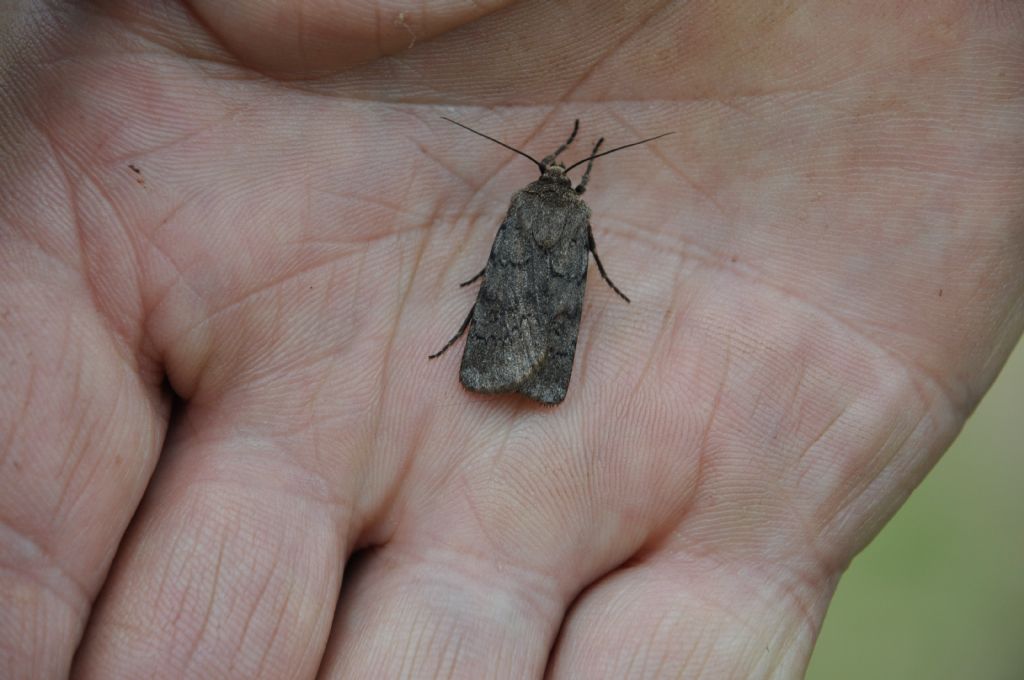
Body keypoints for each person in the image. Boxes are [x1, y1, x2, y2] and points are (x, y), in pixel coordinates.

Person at [1, 1, 1021, 677]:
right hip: (542, 328)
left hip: (504, 319)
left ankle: (496, 361)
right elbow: (578, 279)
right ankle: (519, 370)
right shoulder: (571, 217)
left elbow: (504, 270)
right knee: (539, 303)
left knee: (510, 296)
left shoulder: (538, 209)